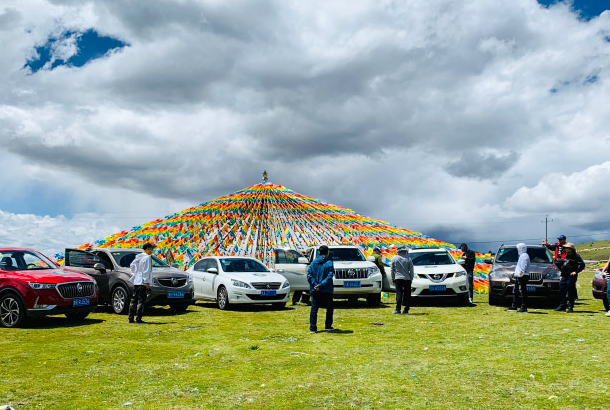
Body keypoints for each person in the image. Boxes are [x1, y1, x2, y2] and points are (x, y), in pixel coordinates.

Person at [307, 245, 335, 333]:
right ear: (327, 252)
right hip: (326, 289)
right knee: (329, 308)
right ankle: (328, 325)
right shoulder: (329, 263)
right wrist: (321, 285)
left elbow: (309, 275)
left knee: (314, 308)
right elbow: (330, 276)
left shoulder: (313, 262)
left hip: (315, 289)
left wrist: (315, 285)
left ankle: (312, 327)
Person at [128, 243, 155, 324]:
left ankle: (131, 318)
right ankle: (138, 319)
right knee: (141, 301)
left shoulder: (139, 257)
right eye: (151, 248)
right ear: (147, 248)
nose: (152, 250)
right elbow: (146, 271)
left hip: (137, 281)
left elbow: (132, 266)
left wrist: (135, 273)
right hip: (142, 282)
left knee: (133, 300)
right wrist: (146, 281)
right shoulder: (147, 258)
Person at [555, 243, 585, 313]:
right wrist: (561, 274)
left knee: (570, 290)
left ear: (571, 249)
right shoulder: (566, 255)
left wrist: (576, 271)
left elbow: (582, 264)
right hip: (564, 275)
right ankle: (562, 305)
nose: (565, 249)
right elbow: (565, 265)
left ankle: (570, 306)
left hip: (571, 276)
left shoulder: (576, 256)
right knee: (562, 289)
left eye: (566, 248)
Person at [506, 243, 530, 313]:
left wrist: (520, 273)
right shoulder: (522, 255)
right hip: (519, 276)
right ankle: (514, 306)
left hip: (522, 276)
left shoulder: (524, 256)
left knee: (522, 291)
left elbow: (523, 266)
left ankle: (524, 307)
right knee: (516, 291)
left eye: (519, 248)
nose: (518, 250)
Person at [391, 245, 414, 314]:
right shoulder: (408, 259)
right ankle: (406, 309)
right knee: (407, 294)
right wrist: (411, 278)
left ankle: (398, 309)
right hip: (407, 278)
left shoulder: (395, 258)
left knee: (399, 293)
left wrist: (393, 278)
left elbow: (392, 270)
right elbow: (411, 270)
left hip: (398, 278)